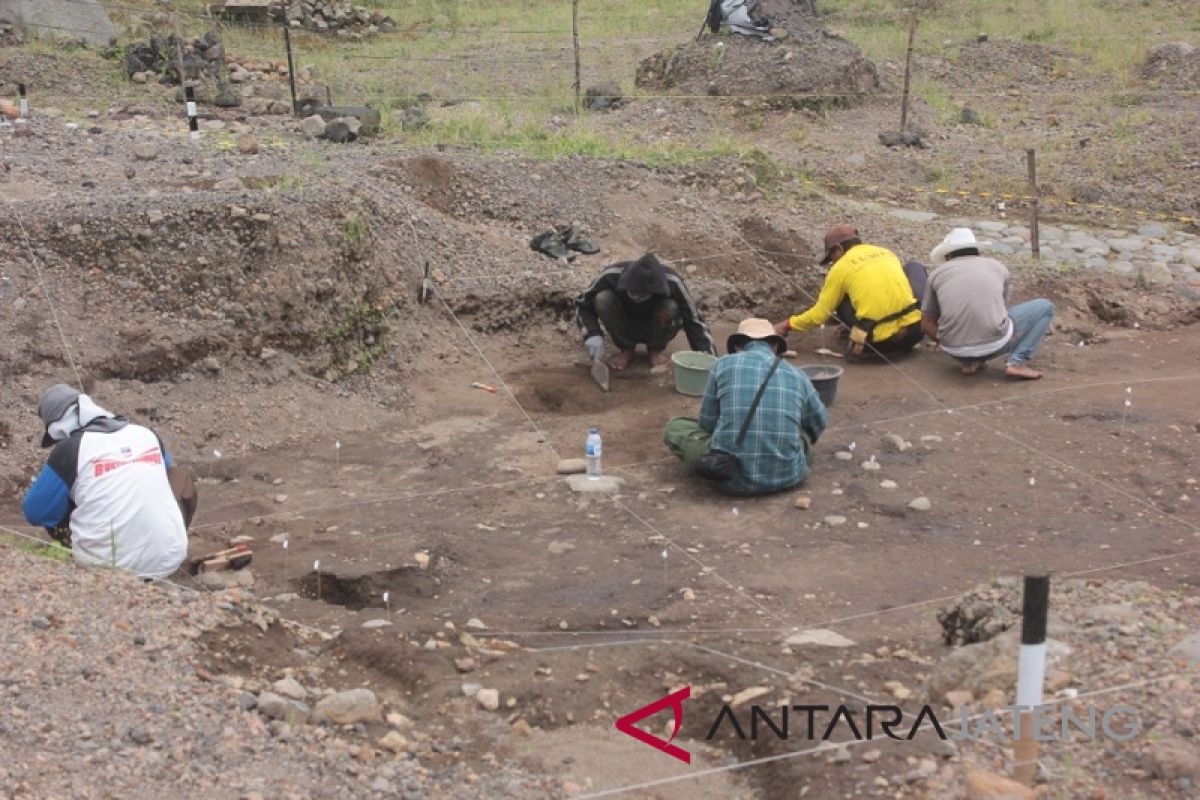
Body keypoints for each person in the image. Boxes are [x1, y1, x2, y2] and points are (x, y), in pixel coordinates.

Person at [22, 384, 190, 579]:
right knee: (179, 479)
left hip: (106, 566)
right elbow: (167, 472)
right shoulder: (145, 434)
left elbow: (34, 512)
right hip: (170, 560)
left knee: (59, 501)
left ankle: (92, 551)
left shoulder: (70, 450)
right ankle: (163, 540)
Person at [664, 318, 827, 495]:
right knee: (801, 435)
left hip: (730, 479)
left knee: (675, 427)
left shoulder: (723, 364)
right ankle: (786, 460)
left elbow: (707, 423)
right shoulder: (798, 374)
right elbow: (818, 422)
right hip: (789, 477)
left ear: (738, 346)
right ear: (775, 347)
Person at [774, 224, 926, 359]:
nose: (832, 262)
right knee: (913, 267)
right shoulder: (886, 252)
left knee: (838, 301)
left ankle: (859, 342)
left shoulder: (840, 268)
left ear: (839, 249)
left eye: (832, 257)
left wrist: (787, 324)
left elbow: (819, 316)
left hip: (880, 344)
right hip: (916, 332)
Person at [921, 228, 1054, 380]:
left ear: (948, 255)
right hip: (995, 345)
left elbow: (926, 323)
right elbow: (1000, 311)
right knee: (1045, 306)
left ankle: (972, 361)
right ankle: (1017, 362)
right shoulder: (998, 267)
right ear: (976, 249)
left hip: (954, 351)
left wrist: (944, 341)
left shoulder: (936, 275)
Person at [576, 252, 716, 370]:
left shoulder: (672, 282)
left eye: (644, 295)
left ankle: (655, 350)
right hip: (625, 322)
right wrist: (592, 333)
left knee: (670, 307)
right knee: (603, 299)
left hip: (656, 325)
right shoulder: (611, 275)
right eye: (634, 293)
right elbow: (583, 304)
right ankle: (626, 349)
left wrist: (709, 360)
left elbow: (694, 320)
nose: (638, 298)